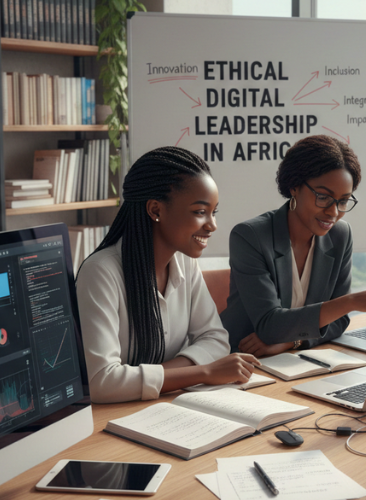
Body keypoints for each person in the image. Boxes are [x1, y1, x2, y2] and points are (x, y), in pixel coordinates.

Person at [76, 146, 259, 403]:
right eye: (199, 212)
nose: (212, 225)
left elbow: (216, 339)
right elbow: (102, 382)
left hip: (167, 403)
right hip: (111, 418)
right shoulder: (101, 273)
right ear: (155, 210)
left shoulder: (185, 262)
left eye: (213, 212)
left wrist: (167, 375)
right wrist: (202, 372)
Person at [221, 135, 366, 356]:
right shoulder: (250, 236)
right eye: (323, 197)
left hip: (294, 357)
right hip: (243, 360)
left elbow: (339, 321)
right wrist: (351, 301)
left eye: (343, 201)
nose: (334, 212)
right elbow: (270, 326)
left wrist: (292, 343)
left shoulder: (339, 235)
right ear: (295, 186)